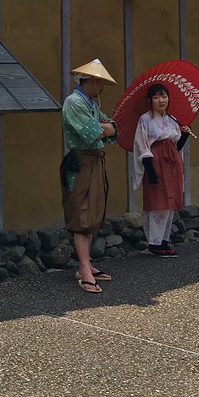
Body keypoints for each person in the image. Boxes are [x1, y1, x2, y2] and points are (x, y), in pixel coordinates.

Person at [61, 58, 118, 294]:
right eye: (101, 82)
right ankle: (83, 267)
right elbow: (93, 133)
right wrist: (105, 127)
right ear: (93, 81)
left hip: (94, 161)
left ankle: (87, 263)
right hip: (81, 162)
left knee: (93, 210)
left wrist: (106, 127)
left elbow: (114, 128)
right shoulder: (74, 102)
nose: (102, 87)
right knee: (82, 213)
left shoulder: (89, 103)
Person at [131, 83, 191, 258]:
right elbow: (141, 144)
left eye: (164, 96)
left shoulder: (172, 119)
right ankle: (154, 242)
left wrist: (185, 134)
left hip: (172, 160)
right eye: (156, 97)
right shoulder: (144, 119)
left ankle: (164, 240)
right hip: (155, 161)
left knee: (170, 202)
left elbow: (177, 145)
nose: (161, 100)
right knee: (158, 202)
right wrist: (150, 170)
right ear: (150, 101)